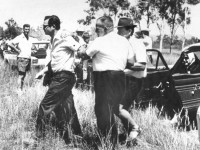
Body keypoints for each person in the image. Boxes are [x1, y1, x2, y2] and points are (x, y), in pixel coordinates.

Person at [78, 15, 134, 148]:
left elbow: (86, 54)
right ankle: (113, 139)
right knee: (113, 108)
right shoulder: (124, 41)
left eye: (98, 27)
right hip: (120, 77)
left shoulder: (99, 41)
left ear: (107, 27)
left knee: (103, 110)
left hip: (104, 77)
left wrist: (80, 51)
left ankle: (109, 143)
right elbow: (131, 62)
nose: (96, 30)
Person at [35, 15, 82, 144]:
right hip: (61, 77)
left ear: (53, 26)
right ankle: (76, 137)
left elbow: (80, 48)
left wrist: (83, 56)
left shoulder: (64, 37)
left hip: (63, 77)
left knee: (45, 106)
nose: (43, 28)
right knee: (68, 108)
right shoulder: (54, 40)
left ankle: (38, 138)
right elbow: (54, 61)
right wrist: (42, 72)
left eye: (45, 26)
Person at [117, 17, 146, 144]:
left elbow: (142, 65)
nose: (118, 32)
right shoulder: (123, 43)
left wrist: (123, 66)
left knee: (118, 108)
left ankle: (135, 128)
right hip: (125, 80)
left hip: (134, 81)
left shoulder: (137, 44)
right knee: (122, 109)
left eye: (120, 30)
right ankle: (131, 133)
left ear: (129, 31)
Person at [8, 24, 36, 90]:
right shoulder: (20, 37)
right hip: (22, 58)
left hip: (28, 58)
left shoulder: (29, 38)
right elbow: (10, 43)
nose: (27, 30)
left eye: (28, 29)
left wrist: (33, 50)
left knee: (24, 75)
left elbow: (30, 48)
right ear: (23, 30)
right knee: (21, 75)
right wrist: (17, 50)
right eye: (26, 29)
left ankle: (21, 89)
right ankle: (18, 90)